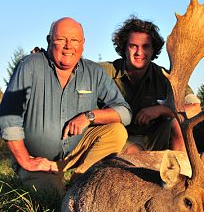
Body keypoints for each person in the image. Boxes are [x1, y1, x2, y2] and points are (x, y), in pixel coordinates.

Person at [0, 17, 132, 196]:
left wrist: (89, 116)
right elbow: (9, 118)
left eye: (75, 40)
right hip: (38, 160)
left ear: (83, 43)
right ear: (49, 40)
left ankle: (80, 179)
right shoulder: (30, 65)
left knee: (116, 131)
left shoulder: (94, 72)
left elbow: (124, 112)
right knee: (52, 198)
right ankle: (36, 175)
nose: (68, 46)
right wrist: (26, 161)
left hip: (74, 154)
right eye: (61, 39)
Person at [100, 16, 200, 153]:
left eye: (145, 47)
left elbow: (195, 108)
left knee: (179, 123)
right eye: (133, 46)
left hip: (155, 139)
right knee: (132, 150)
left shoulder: (165, 77)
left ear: (153, 50)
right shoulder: (104, 72)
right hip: (118, 139)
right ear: (124, 48)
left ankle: (180, 171)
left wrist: (160, 110)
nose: (139, 52)